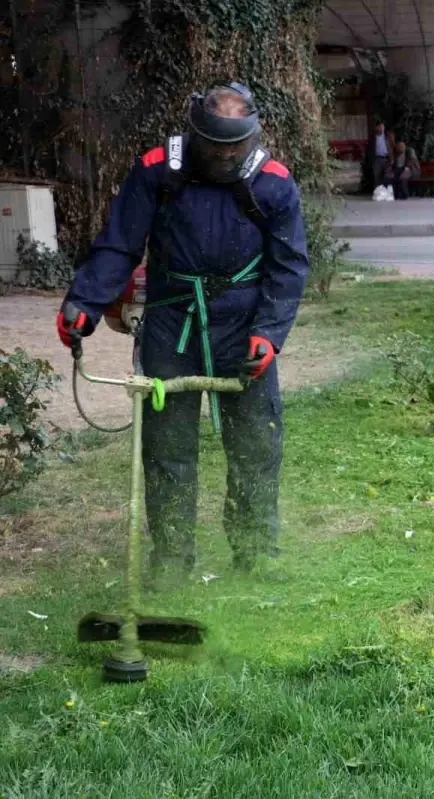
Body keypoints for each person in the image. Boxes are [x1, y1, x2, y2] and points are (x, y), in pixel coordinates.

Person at [56, 83, 310, 581]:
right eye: (215, 146)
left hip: (244, 326)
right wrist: (83, 303)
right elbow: (119, 245)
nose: (223, 156)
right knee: (167, 448)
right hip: (174, 323)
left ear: (250, 139)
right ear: (195, 133)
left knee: (256, 444)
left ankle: (255, 551)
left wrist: (270, 333)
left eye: (234, 147)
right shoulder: (157, 170)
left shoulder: (273, 184)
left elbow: (289, 266)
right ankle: (171, 560)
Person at [371, 120, 396, 191]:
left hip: (386, 158)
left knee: (387, 176)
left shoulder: (388, 136)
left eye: (383, 126)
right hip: (377, 159)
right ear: (376, 127)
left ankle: (387, 191)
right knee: (377, 176)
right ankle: (377, 192)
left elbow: (393, 146)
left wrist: (392, 158)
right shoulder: (373, 137)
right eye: (380, 127)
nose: (382, 128)